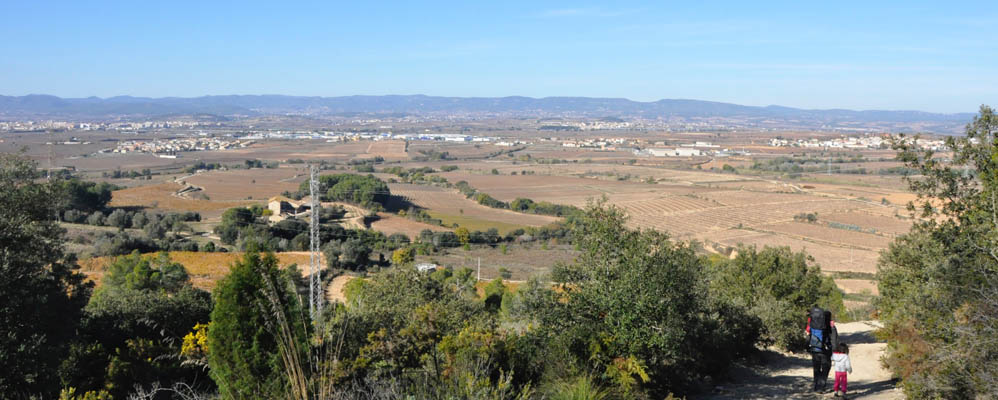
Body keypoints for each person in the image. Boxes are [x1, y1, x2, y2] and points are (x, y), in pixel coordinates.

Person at [805, 306, 838, 392]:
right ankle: (821, 386)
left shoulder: (814, 324)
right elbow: (834, 338)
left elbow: (809, 336)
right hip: (825, 350)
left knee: (816, 368)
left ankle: (816, 385)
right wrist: (834, 350)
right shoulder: (830, 326)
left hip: (814, 349)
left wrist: (807, 347)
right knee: (826, 367)